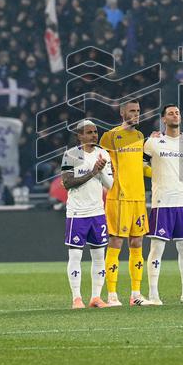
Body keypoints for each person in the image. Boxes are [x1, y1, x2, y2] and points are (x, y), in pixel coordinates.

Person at [143, 105, 183, 305]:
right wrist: (153, 174)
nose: (175, 115)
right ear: (163, 119)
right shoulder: (152, 142)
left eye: (177, 112)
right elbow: (140, 164)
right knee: (156, 249)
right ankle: (153, 296)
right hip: (162, 202)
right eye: (170, 113)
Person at [99, 100, 153, 307]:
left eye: (138, 111)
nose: (136, 114)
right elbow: (99, 160)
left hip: (138, 197)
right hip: (118, 198)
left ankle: (136, 294)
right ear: (122, 113)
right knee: (116, 243)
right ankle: (112, 294)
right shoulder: (110, 136)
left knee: (137, 243)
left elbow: (139, 165)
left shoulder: (139, 137)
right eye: (132, 111)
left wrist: (159, 172)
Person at [61, 120, 113, 309]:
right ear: (79, 136)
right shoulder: (70, 156)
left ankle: (96, 297)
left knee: (99, 257)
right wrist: (93, 172)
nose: (94, 135)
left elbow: (111, 186)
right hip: (77, 213)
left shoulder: (103, 154)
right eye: (89, 132)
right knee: (75, 256)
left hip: (97, 212)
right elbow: (67, 183)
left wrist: (100, 172)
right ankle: (76, 298)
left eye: (96, 131)